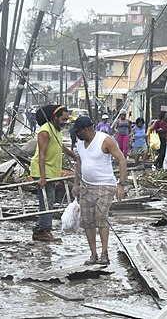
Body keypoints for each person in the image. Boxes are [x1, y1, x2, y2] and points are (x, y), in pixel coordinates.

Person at [72, 116, 127, 266]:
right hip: (86, 185)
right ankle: (93, 254)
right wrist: (76, 184)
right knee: (87, 221)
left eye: (77, 132)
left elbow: (122, 160)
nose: (75, 135)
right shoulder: (80, 143)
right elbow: (79, 161)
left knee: (101, 219)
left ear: (85, 130)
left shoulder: (105, 140)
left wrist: (121, 184)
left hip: (105, 184)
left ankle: (104, 254)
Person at [30, 104, 77, 242]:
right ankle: (41, 230)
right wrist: (42, 177)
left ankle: (43, 228)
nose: (65, 122)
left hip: (52, 170)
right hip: (43, 170)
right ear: (55, 117)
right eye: (63, 119)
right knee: (46, 200)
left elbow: (61, 146)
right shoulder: (45, 131)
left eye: (67, 120)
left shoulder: (56, 131)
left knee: (49, 200)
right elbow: (42, 155)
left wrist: (75, 157)